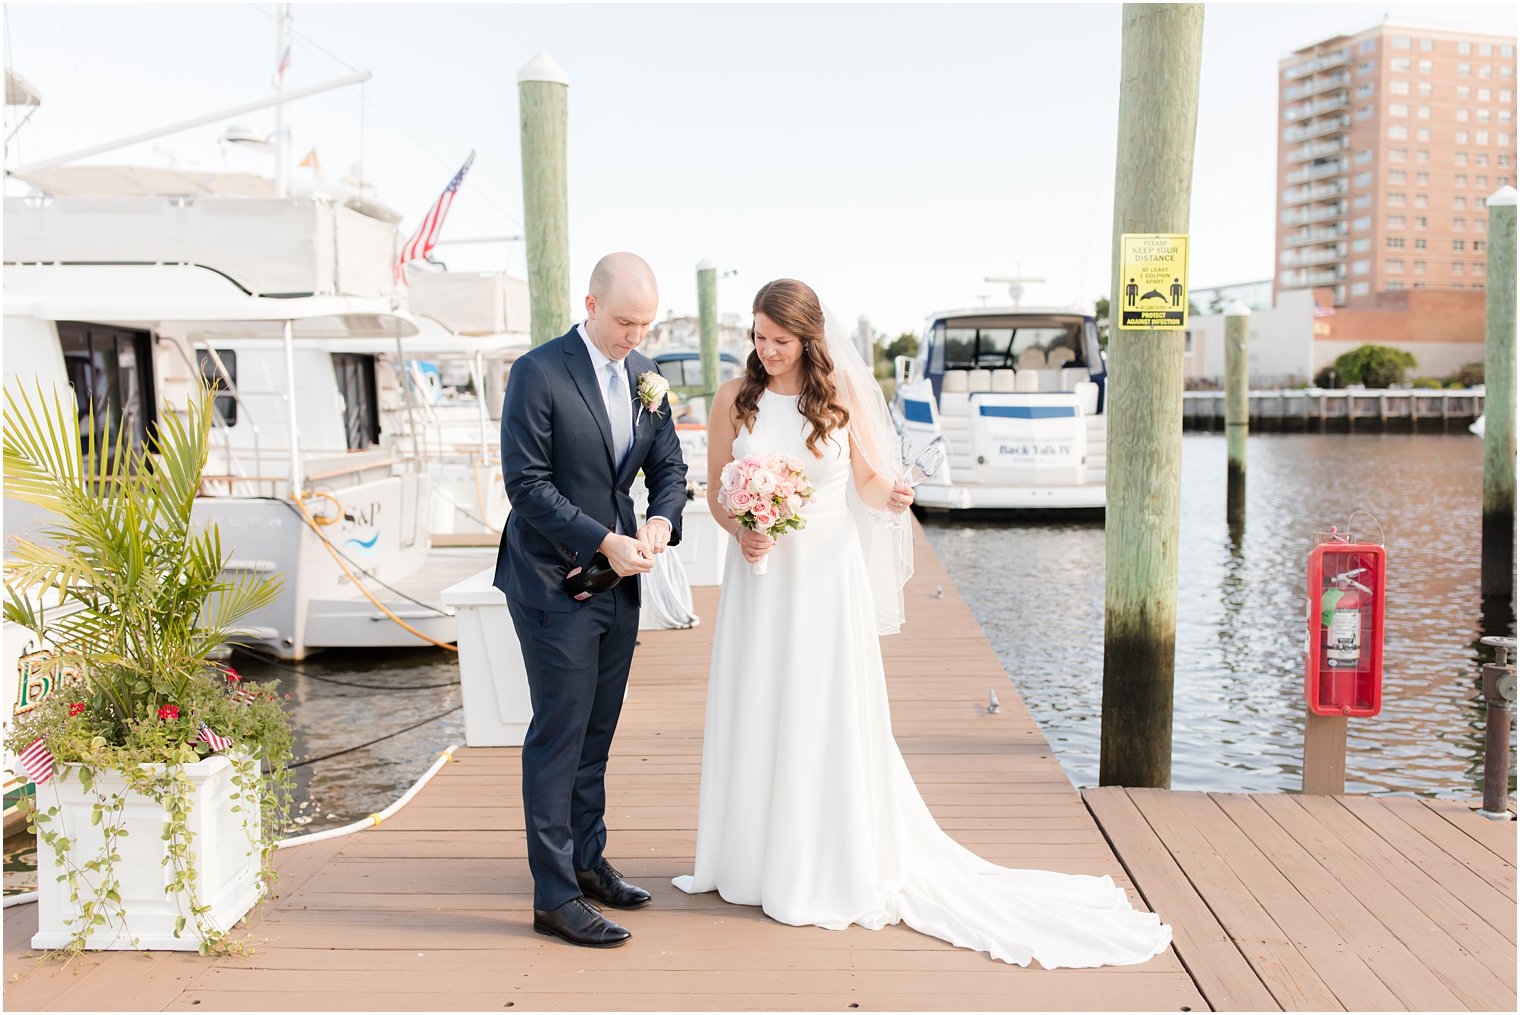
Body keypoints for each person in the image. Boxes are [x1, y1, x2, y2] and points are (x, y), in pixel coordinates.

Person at [672, 278, 1172, 968]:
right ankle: (751, 859)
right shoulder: (736, 397)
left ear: (809, 338)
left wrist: (896, 494)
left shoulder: (840, 387)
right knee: (759, 701)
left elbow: (871, 483)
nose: (766, 351)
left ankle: (820, 859)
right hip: (761, 578)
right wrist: (744, 529)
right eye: (758, 337)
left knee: (823, 708)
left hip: (824, 574)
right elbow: (722, 489)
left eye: (779, 340)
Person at [494, 252, 688, 948]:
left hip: (620, 579)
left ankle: (587, 857)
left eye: (646, 323)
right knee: (558, 733)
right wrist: (604, 539)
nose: (636, 335)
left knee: (597, 730)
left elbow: (669, 467)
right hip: (550, 579)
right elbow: (527, 484)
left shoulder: (646, 377)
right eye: (625, 321)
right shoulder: (538, 372)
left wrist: (661, 520)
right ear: (590, 303)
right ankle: (554, 896)